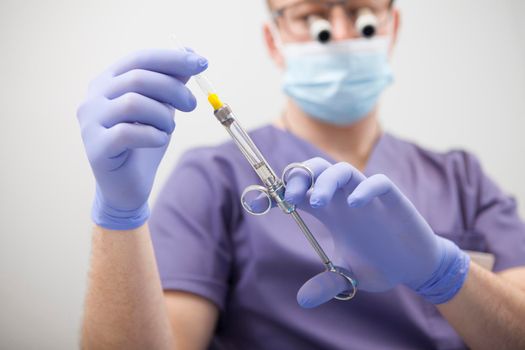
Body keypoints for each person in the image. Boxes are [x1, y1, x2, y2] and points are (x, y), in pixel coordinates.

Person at [77, 0, 525, 349]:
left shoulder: (462, 177)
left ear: (392, 27)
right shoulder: (212, 176)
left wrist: (446, 273)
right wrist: (119, 214)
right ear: (274, 41)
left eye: (361, 13)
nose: (342, 33)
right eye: (311, 15)